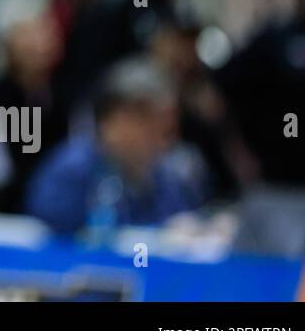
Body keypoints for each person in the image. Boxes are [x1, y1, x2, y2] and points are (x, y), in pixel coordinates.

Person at [24, 57, 207, 239]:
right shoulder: (71, 170)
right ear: (116, 119)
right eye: (153, 127)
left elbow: (179, 223)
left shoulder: (162, 175)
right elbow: (56, 237)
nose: (164, 141)